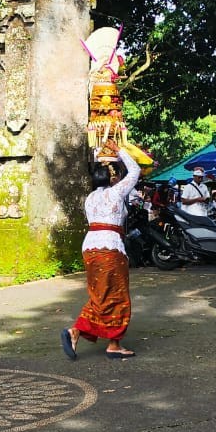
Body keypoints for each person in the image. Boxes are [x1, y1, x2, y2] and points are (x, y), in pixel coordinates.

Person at [63, 147, 140, 360]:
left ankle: (78, 331)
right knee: (116, 295)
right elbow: (135, 171)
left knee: (100, 294)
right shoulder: (115, 192)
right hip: (110, 247)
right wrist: (120, 150)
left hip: (90, 247)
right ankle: (111, 343)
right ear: (113, 177)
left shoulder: (90, 198)